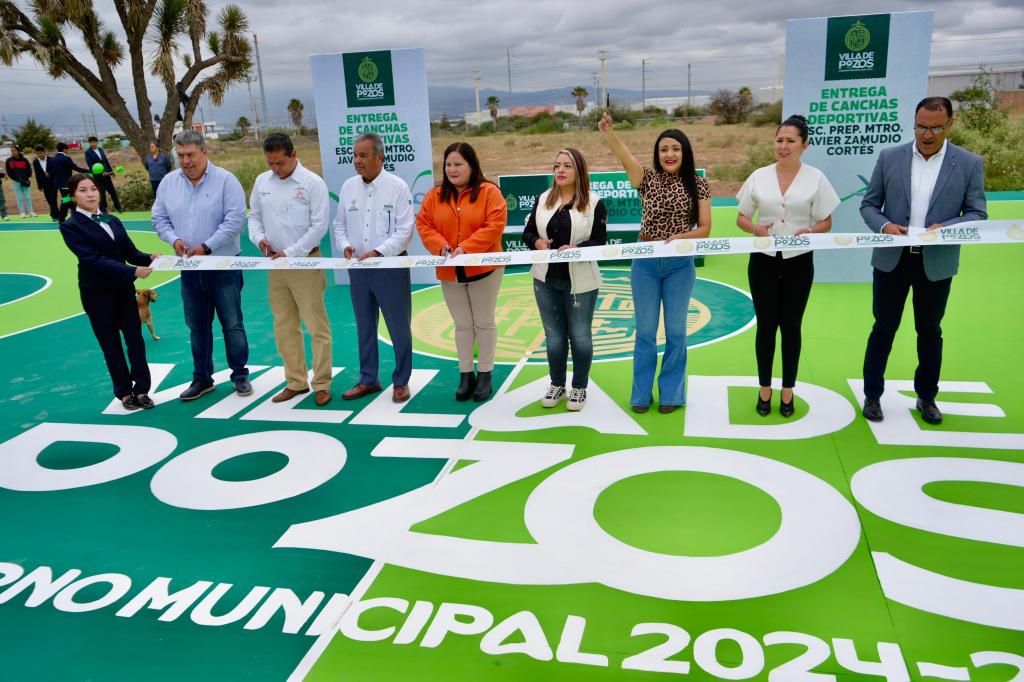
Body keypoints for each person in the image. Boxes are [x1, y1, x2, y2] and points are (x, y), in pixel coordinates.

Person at [860, 97, 986, 425]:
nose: (926, 134)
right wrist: (885, 226)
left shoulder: (969, 163)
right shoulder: (890, 158)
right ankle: (872, 395)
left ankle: (926, 397)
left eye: (935, 128)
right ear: (914, 123)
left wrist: (944, 229)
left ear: (950, 125)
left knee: (929, 330)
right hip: (892, 258)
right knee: (883, 327)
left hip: (936, 262)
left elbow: (977, 213)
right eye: (920, 126)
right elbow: (869, 205)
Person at [598, 112, 711, 414]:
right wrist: (609, 133)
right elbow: (625, 158)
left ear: (684, 153)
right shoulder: (646, 179)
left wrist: (680, 238)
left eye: (675, 148)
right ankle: (640, 395)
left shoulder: (698, 184)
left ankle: (672, 394)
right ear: (657, 154)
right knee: (645, 331)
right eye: (663, 149)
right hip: (645, 264)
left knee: (676, 331)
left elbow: (705, 228)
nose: (669, 154)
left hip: (679, 265)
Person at [736, 114, 840, 418]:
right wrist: (756, 229)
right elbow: (742, 216)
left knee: (791, 327)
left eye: (791, 141)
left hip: (799, 263)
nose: (783, 146)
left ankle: (788, 390)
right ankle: (765, 389)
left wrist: (811, 231)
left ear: (804, 145)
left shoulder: (816, 178)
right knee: (766, 327)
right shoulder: (758, 175)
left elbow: (826, 220)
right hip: (763, 262)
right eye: (779, 140)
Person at [153, 129, 252, 401]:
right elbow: (159, 219)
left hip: (224, 266)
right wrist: (174, 241)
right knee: (197, 326)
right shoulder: (168, 183)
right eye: (181, 155)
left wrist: (206, 247)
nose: (186, 161)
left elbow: (235, 221)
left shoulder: (226, 181)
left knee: (232, 324)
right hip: (189, 269)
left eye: (191, 155)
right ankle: (202, 378)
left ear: (204, 152)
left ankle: (240, 375)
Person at [58, 174, 160, 410]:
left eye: (93, 188)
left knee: (135, 340)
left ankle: (142, 389)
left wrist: (149, 258)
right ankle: (125, 393)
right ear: (73, 196)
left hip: (124, 291)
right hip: (97, 294)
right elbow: (92, 260)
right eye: (83, 190)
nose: (91, 194)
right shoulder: (70, 226)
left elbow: (129, 251)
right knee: (111, 344)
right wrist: (133, 271)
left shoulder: (112, 220)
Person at [416, 142, 507, 402]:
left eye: (458, 164)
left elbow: (494, 225)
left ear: (472, 165)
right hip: (450, 273)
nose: (452, 170)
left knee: (484, 322)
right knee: (463, 325)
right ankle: (466, 373)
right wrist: (440, 246)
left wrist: (466, 248)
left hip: (485, 270)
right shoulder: (435, 195)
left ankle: (485, 374)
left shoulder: (490, 192)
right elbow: (424, 224)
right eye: (448, 165)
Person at [248, 133, 334, 406]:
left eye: (281, 163)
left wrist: (292, 252)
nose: (276, 169)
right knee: (284, 326)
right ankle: (296, 382)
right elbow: (254, 217)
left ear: (294, 155)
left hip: (305, 262)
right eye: (271, 163)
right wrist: (259, 240)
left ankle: (322, 383)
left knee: (316, 326)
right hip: (275, 265)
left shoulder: (313, 184)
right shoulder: (262, 182)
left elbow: (319, 226)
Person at [333, 133, 416, 403]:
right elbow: (340, 225)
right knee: (364, 326)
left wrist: (379, 252)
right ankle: (368, 380)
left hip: (390, 267)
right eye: (355, 155)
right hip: (358, 269)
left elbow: (405, 232)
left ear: (380, 157)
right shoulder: (348, 187)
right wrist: (345, 244)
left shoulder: (398, 187)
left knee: (398, 327)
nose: (357, 160)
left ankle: (401, 381)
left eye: (363, 155)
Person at [523, 148, 607, 411]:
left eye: (567, 166)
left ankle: (579, 388)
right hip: (545, 279)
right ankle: (557, 385)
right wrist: (537, 242)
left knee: (580, 337)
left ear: (579, 171)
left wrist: (578, 249)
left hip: (580, 281)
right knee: (554, 338)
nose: (560, 170)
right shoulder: (543, 199)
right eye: (557, 165)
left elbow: (600, 241)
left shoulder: (594, 202)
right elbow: (527, 233)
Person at [50, 142, 90, 222]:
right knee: (66, 200)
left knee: (67, 199)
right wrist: (87, 171)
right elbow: (75, 167)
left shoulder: (53, 159)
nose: (68, 150)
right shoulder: (66, 158)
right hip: (66, 183)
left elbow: (52, 172)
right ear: (64, 149)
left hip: (58, 183)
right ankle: (62, 218)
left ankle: (76, 213)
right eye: (68, 149)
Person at [84, 136, 123, 213]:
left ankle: (118, 208)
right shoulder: (88, 152)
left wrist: (111, 172)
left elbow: (105, 162)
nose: (93, 144)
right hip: (98, 177)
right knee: (102, 194)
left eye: (94, 142)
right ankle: (103, 210)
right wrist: (100, 173)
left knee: (113, 192)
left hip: (107, 175)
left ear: (97, 142)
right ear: (89, 143)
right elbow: (90, 165)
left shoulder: (101, 150)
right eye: (91, 142)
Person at [5, 145, 35, 218]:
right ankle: (22, 213)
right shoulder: (9, 160)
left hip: (25, 181)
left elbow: (29, 169)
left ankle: (31, 212)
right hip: (16, 182)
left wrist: (26, 177)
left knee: (27, 197)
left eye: (14, 150)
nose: (13, 152)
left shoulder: (24, 160)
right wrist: (17, 179)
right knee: (19, 198)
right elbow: (9, 172)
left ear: (18, 151)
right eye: (11, 151)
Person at [33, 146, 60, 221]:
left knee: (53, 199)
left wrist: (50, 174)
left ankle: (55, 216)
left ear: (44, 152)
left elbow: (56, 171)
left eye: (41, 153)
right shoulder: (35, 162)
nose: (39, 155)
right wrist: (39, 185)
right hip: (44, 184)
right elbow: (37, 174)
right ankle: (56, 214)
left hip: (53, 183)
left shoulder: (52, 160)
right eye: (37, 153)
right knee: (49, 200)